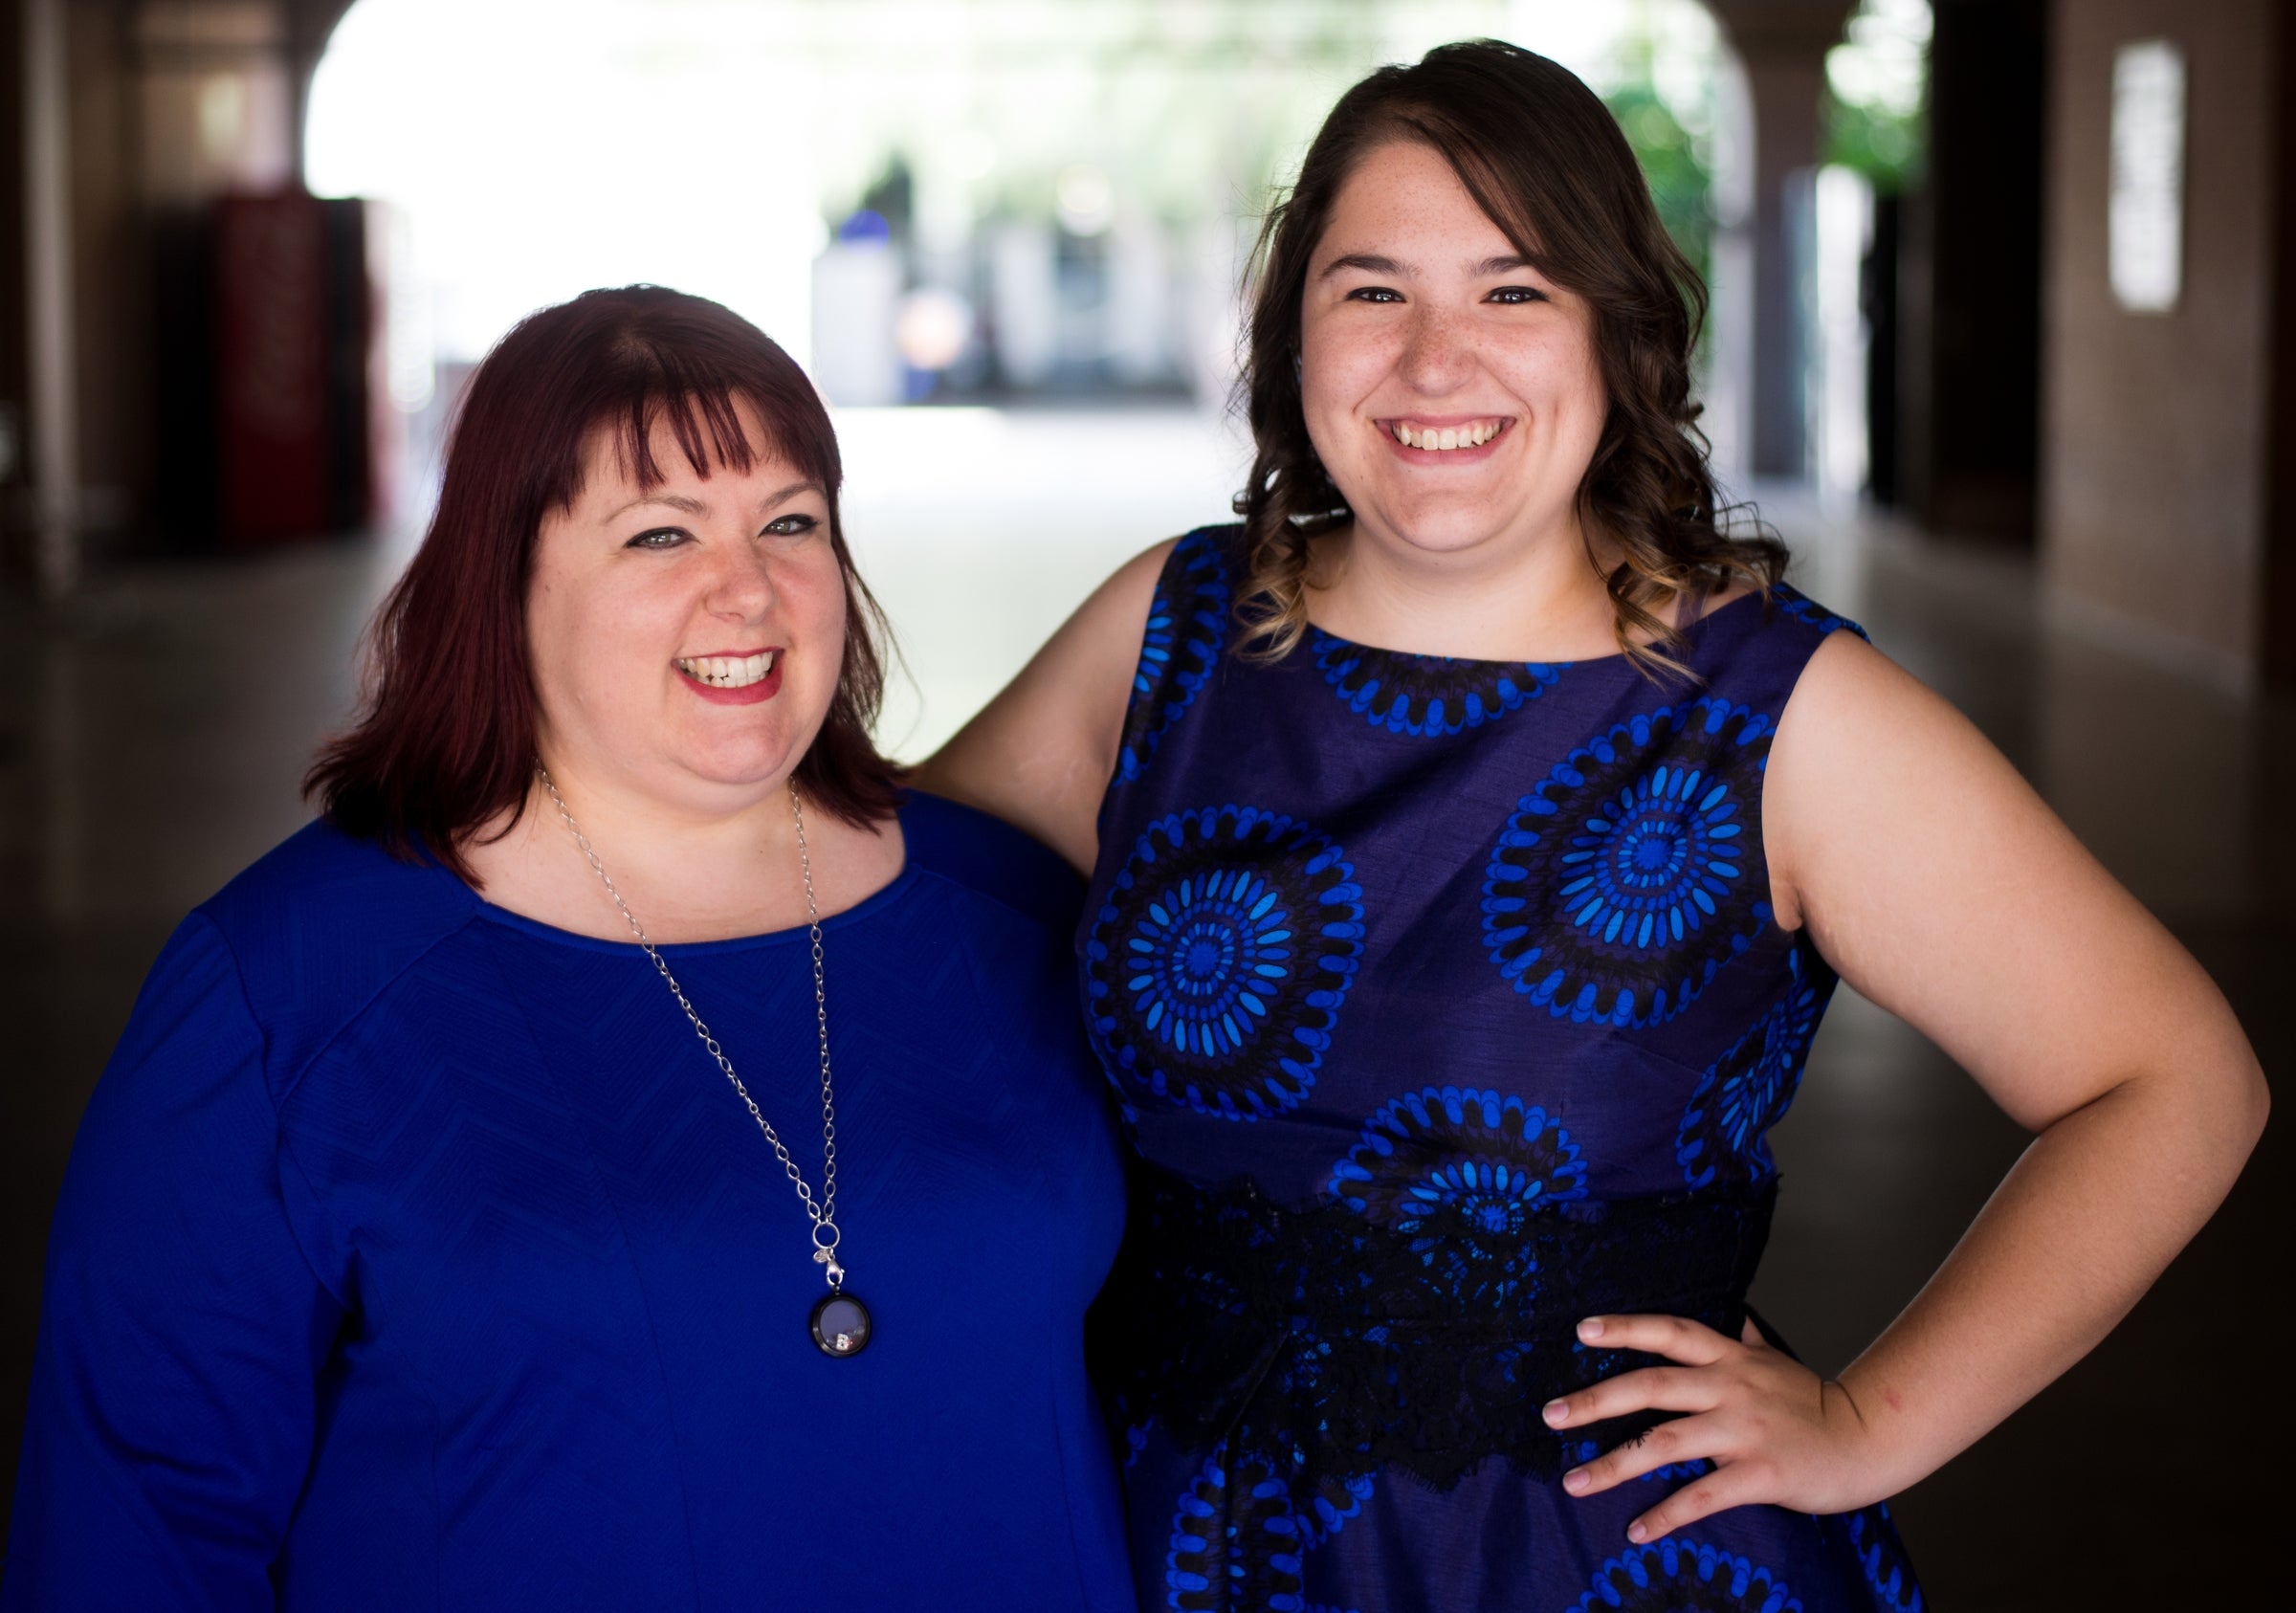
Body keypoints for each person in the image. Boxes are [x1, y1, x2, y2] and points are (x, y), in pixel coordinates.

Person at [920, 40, 2269, 1613]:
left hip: (1578, 1561)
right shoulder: (1169, 632)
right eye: (1373, 291)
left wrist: (1863, 1424)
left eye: (1514, 290)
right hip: (1164, 1532)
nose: (1437, 360)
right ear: (1293, 333)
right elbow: (889, 901)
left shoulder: (1772, 714)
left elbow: (2175, 1082)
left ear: (1617, 335)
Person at [4, 287, 1135, 1609]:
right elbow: (134, 1528)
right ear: (503, 585)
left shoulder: (1013, 913)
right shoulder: (287, 993)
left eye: (791, 522)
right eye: (660, 533)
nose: (748, 588)